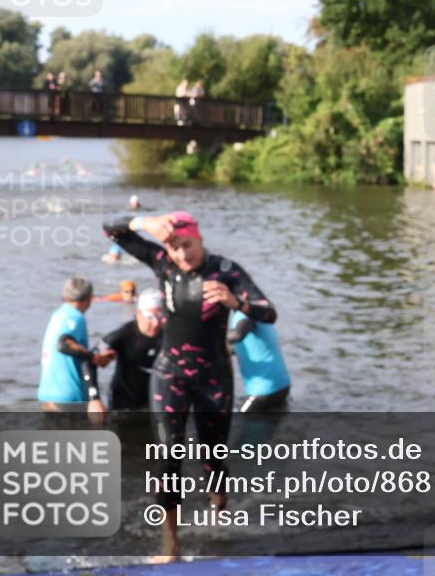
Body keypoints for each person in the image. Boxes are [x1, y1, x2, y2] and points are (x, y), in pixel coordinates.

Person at [103, 210, 276, 562]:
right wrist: (144, 223)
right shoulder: (163, 263)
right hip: (170, 374)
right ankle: (171, 545)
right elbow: (111, 229)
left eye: (188, 245)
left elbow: (268, 312)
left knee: (213, 458)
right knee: (169, 457)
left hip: (213, 377)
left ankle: (219, 511)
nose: (182, 254)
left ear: (200, 239)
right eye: (175, 247)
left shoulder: (226, 271)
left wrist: (235, 302)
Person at [37, 277, 114, 422]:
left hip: (48, 395)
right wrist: (95, 358)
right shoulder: (75, 317)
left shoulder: (58, 314)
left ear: (65, 295)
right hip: (69, 398)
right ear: (90, 298)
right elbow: (64, 344)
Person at [96, 289, 163, 411]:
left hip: (156, 403)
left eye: (160, 316)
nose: (156, 323)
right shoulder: (125, 334)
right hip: (123, 402)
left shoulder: (169, 334)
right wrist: (94, 399)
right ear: (139, 314)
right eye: (150, 317)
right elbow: (89, 360)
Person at [227, 310, 291, 412]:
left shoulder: (245, 314)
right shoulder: (260, 313)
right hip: (283, 385)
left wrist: (210, 336)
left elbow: (238, 335)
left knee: (238, 419)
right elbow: (246, 348)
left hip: (264, 390)